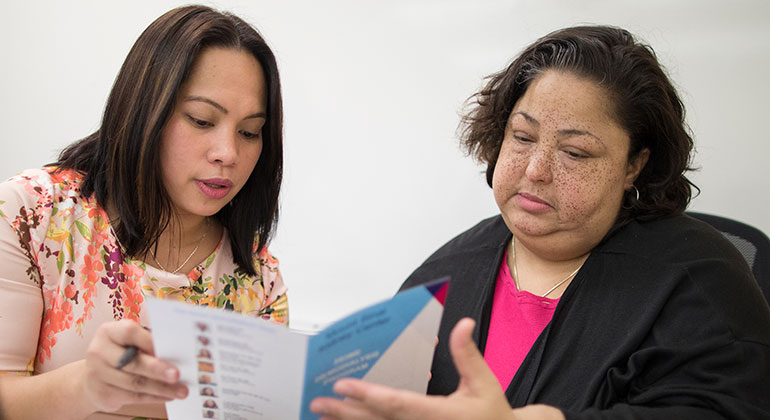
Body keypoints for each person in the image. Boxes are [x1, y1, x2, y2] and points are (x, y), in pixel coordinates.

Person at [310, 25, 770, 419]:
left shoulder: (699, 279)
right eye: (522, 137)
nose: (535, 170)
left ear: (635, 164)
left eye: (574, 152)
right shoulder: (443, 275)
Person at [0, 5, 287, 420]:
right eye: (202, 120)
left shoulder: (258, 277)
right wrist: (87, 387)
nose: (228, 153)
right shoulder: (32, 215)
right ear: (144, 110)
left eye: (249, 132)